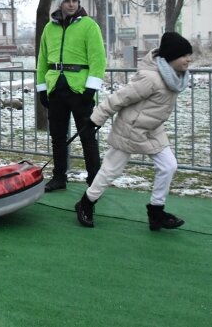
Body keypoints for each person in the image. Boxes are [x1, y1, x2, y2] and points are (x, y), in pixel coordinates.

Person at [75, 32, 192, 231]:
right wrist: (96, 119)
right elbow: (120, 98)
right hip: (130, 129)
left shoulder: (174, 77)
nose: (188, 60)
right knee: (111, 170)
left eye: (189, 55)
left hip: (152, 129)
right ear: (171, 56)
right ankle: (86, 203)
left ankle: (156, 212)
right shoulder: (150, 78)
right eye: (184, 55)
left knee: (169, 166)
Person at [36, 0, 106, 192]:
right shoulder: (49, 28)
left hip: (80, 90)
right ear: (60, 3)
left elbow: (98, 59)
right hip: (56, 88)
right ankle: (59, 177)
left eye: (75, 0)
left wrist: (91, 88)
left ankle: (94, 180)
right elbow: (42, 60)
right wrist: (42, 89)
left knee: (87, 137)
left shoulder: (89, 26)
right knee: (57, 136)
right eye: (67, 0)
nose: (71, 4)